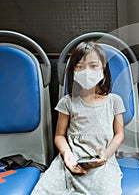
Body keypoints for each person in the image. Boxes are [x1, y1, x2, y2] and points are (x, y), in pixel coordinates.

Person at [32, 41, 125, 195]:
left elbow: (119, 134)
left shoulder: (114, 101)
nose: (87, 71)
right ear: (73, 71)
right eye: (80, 66)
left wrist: (106, 155)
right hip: (71, 160)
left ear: (104, 69)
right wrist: (67, 156)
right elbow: (59, 135)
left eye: (93, 66)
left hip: (103, 162)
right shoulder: (67, 102)